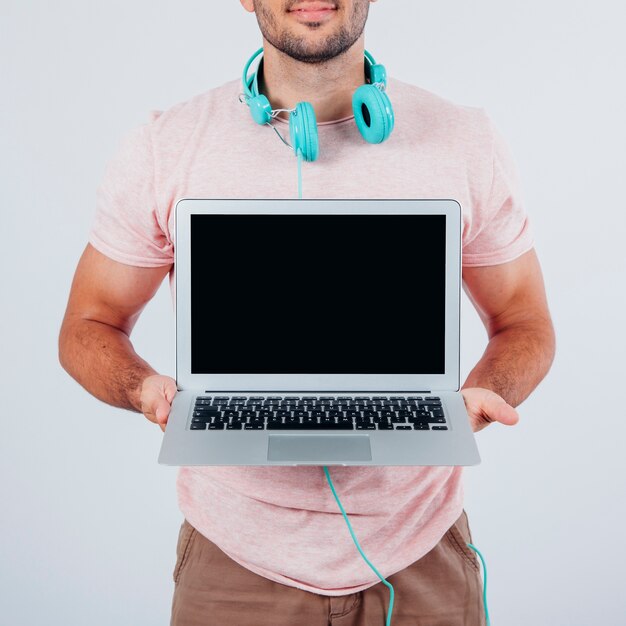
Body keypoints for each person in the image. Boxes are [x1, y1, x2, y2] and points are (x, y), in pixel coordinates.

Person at [58, 1, 556, 624]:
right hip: (232, 565)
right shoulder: (165, 147)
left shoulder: (464, 139)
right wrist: (144, 390)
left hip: (421, 555)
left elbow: (523, 319)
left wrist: (483, 392)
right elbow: (88, 322)